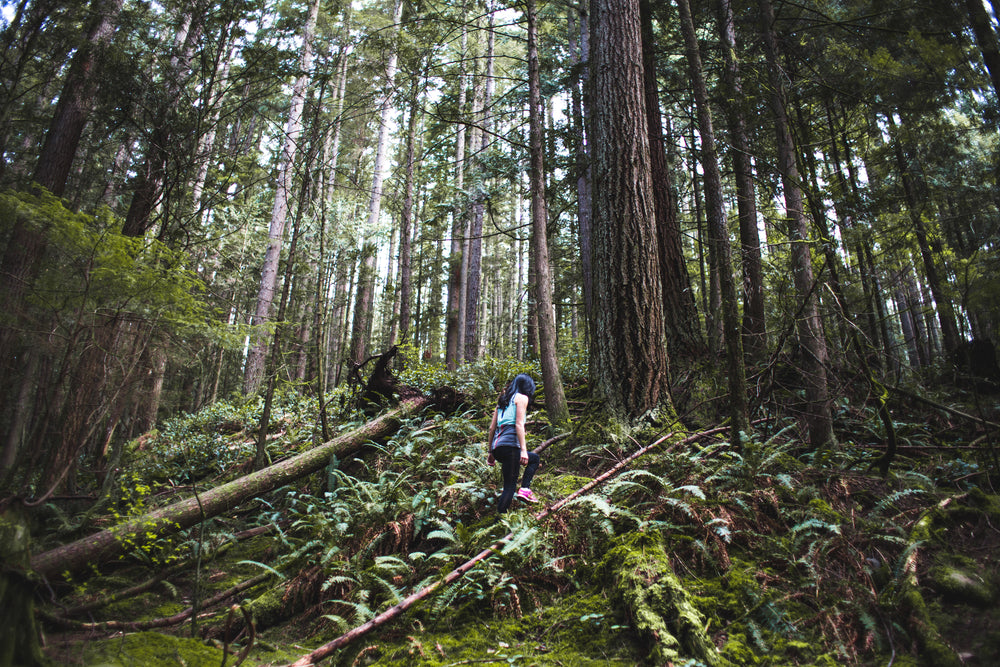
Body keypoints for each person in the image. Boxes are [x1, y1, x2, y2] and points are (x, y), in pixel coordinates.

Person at [486, 373, 542, 512]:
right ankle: (501, 519)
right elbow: (518, 424)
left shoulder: (502, 401)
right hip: (511, 446)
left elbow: (492, 428)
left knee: (534, 459)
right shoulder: (522, 398)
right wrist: (523, 450)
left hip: (498, 448)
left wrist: (491, 452)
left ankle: (525, 489)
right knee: (509, 487)